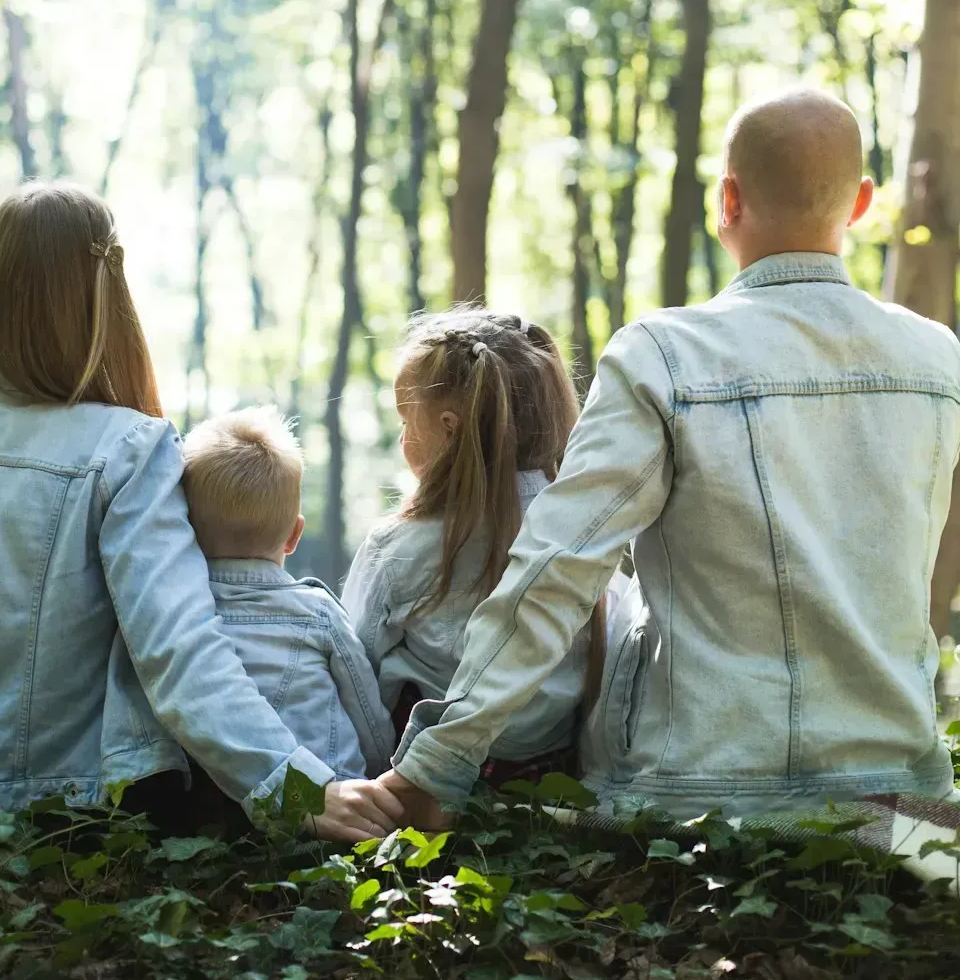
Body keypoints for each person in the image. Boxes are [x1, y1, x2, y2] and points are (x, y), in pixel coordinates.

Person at [380, 88, 960, 824]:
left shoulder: (664, 356)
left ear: (727, 199)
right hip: (901, 797)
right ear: (862, 204)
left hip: (696, 794)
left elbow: (557, 568)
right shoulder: (940, 361)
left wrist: (439, 762)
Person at [0, 182, 402, 840]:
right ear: (104, 298)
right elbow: (181, 652)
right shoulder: (127, 448)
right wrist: (300, 790)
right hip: (92, 822)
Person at [343, 309, 630, 787]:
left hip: (421, 784)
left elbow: (356, 671)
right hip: (551, 779)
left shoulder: (398, 546)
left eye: (405, 420)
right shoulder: (586, 538)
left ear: (450, 428)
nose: (402, 438)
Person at [181, 405, 394, 780]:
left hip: (217, 804)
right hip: (329, 796)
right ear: (295, 535)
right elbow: (367, 715)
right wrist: (380, 772)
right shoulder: (318, 614)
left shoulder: (175, 615)